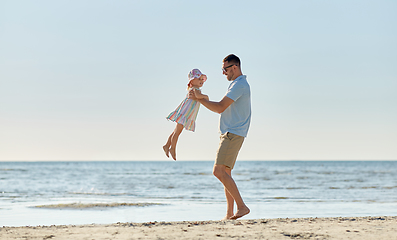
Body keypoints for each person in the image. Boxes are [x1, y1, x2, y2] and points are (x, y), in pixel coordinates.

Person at [189, 54, 251, 220]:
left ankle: (242, 207)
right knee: (226, 173)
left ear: (235, 67)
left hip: (232, 133)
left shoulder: (239, 85)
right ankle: (230, 213)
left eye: (225, 69)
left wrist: (199, 99)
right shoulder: (237, 85)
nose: (223, 73)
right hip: (233, 133)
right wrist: (201, 97)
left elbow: (220, 107)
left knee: (218, 171)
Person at [163, 69, 208, 161]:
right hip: (186, 113)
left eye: (201, 79)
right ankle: (172, 148)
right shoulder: (195, 90)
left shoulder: (196, 89)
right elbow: (199, 97)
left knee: (176, 130)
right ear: (192, 81)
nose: (201, 81)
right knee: (177, 132)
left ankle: (167, 145)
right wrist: (206, 97)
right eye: (198, 79)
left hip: (186, 113)